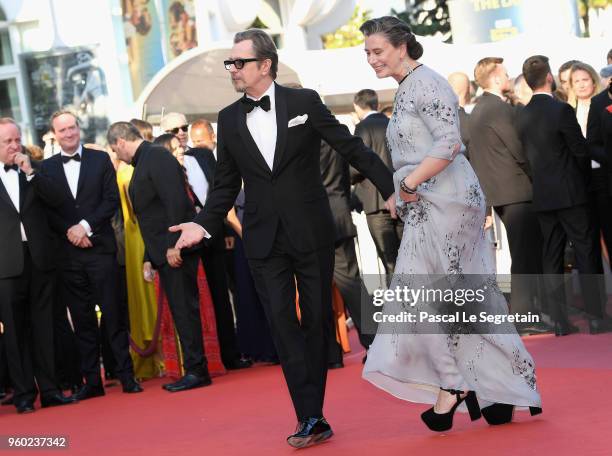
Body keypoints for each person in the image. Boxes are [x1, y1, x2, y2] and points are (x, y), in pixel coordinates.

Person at [169, 28, 395, 448]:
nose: (232, 70)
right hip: (263, 240)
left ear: (265, 64)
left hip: (310, 231)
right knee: (281, 323)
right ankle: (310, 416)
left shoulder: (304, 103)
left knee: (315, 322)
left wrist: (393, 188)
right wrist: (203, 222)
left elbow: (351, 149)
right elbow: (223, 186)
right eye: (230, 63)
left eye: (239, 62)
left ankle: (315, 411)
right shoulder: (230, 119)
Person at [359, 16, 542, 433]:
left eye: (377, 51)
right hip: (430, 201)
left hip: (449, 203)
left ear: (402, 46)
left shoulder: (426, 83)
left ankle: (456, 384)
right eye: (367, 53)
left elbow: (448, 142)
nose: (371, 59)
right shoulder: (407, 86)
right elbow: (419, 150)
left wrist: (407, 182)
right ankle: (502, 389)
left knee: (423, 298)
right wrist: (400, 189)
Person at [41, 111, 141, 400]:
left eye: (72, 127)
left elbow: (111, 200)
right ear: (54, 135)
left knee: (113, 315)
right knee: (82, 320)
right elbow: (49, 210)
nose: (69, 133)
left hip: (100, 252)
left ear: (78, 129)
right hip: (69, 257)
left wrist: (84, 228)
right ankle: (92, 383)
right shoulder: (46, 168)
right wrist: (71, 232)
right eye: (63, 130)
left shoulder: (100, 160)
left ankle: (126, 375)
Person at [107, 122, 213, 392]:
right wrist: (148, 256)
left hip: (175, 248)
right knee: (180, 309)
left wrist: (173, 246)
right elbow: (150, 217)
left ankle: (197, 370)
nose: (117, 156)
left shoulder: (156, 157)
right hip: (163, 251)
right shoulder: (145, 161)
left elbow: (176, 201)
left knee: (185, 309)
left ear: (120, 142)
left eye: (114, 150)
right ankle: (194, 368)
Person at [519, 56, 612, 335]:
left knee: (552, 257)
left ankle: (559, 321)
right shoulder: (561, 110)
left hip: (543, 196)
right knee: (585, 253)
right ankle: (596, 317)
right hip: (572, 194)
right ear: (549, 77)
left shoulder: (520, 114)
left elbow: (524, 158)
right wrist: (582, 181)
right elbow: (580, 151)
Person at [0, 117, 77, 413]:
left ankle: (50, 389)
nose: (15, 146)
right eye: (7, 141)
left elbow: (59, 201)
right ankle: (22, 394)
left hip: (41, 259)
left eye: (17, 139)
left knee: (45, 327)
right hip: (6, 265)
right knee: (15, 331)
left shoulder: (36, 170)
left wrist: (31, 173)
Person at [468, 57, 547, 335]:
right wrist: (538, 175)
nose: (509, 76)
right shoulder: (498, 110)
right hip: (516, 191)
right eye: (504, 73)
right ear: (496, 79)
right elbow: (518, 148)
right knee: (525, 257)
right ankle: (526, 317)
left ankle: (528, 313)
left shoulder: (479, 110)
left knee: (523, 254)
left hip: (500, 193)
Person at [351, 89, 403, 279]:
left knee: (390, 261)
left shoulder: (362, 128)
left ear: (357, 106)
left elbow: (356, 166)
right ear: (377, 104)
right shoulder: (393, 124)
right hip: (402, 197)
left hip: (376, 203)